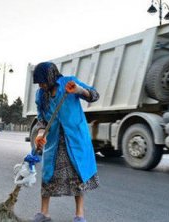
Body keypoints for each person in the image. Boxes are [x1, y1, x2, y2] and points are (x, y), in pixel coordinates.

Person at [32, 62, 100, 222]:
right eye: (38, 83)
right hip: (54, 140)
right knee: (48, 176)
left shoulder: (69, 82)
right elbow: (42, 119)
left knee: (77, 177)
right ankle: (44, 213)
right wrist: (40, 134)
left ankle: (79, 215)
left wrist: (79, 90)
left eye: (42, 81)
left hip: (74, 138)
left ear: (51, 77)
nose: (41, 85)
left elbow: (94, 95)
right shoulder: (40, 95)